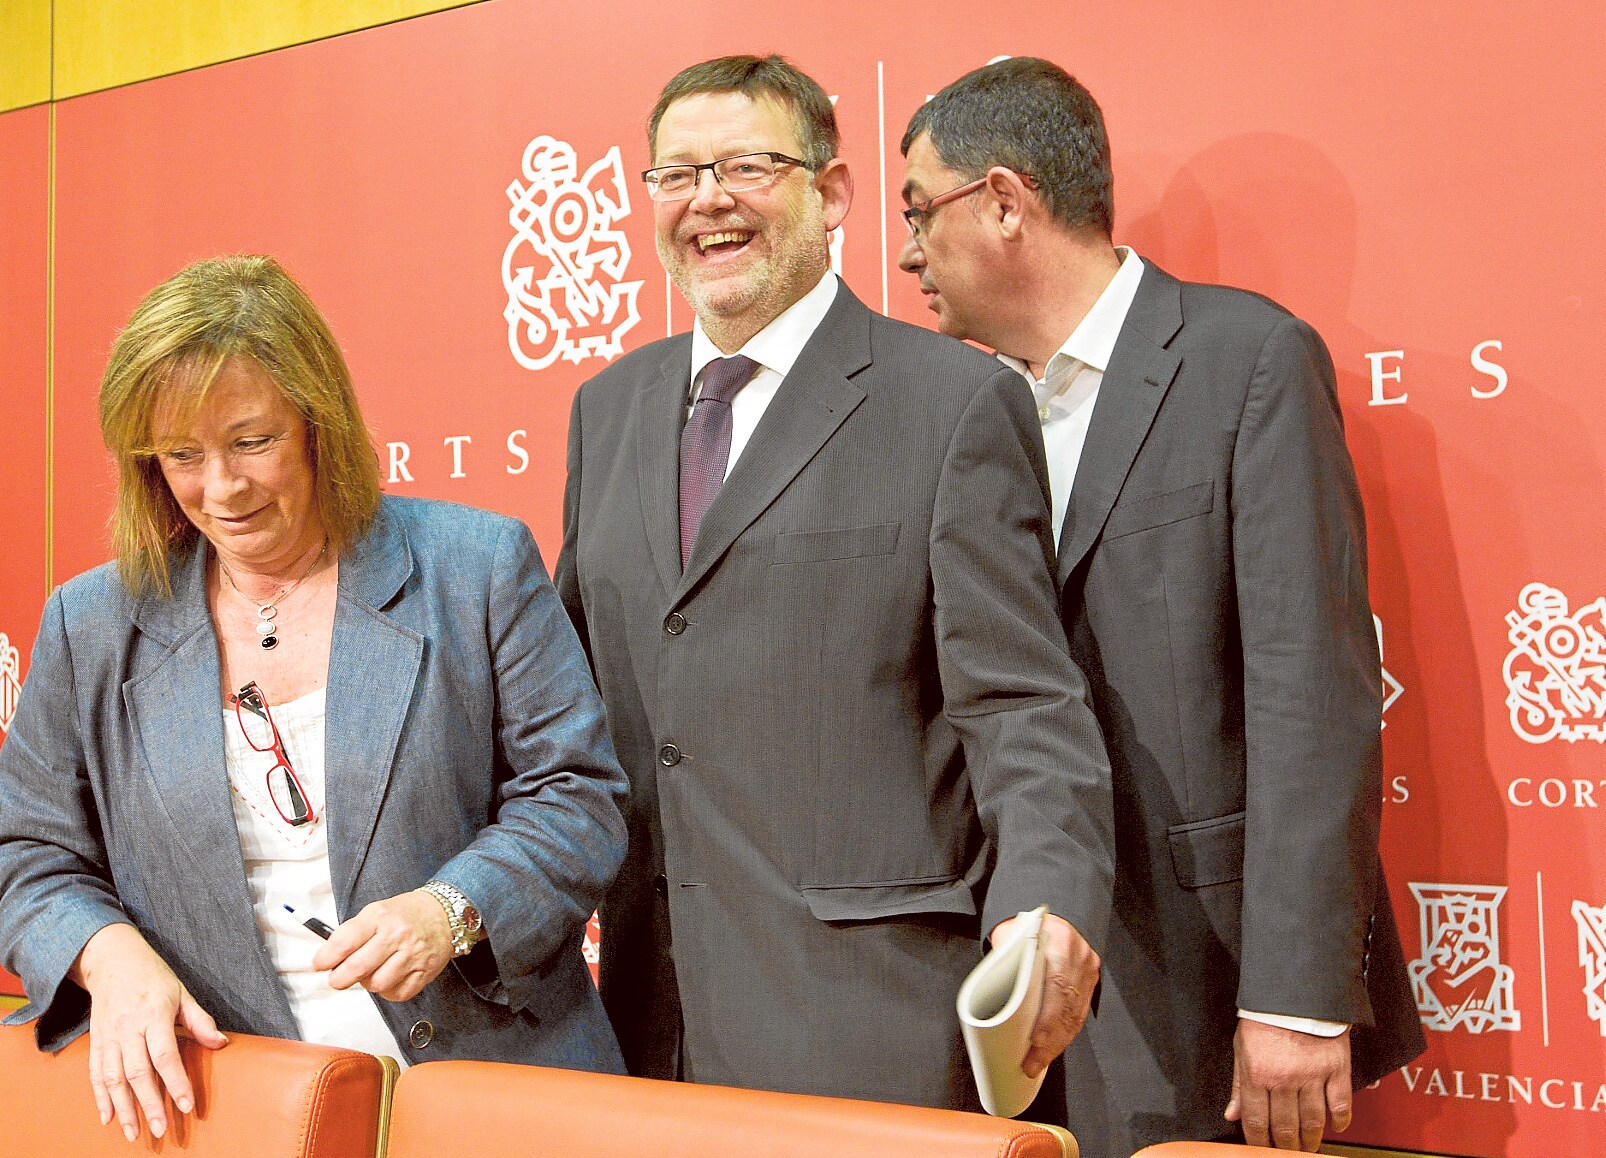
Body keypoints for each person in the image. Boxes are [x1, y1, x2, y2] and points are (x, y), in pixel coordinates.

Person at [554, 54, 1114, 1110]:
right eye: (674, 176)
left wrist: (1047, 903)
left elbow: (1021, 704)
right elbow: (560, 705)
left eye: (747, 166)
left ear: (832, 193)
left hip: (871, 1024)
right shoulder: (607, 409)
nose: (706, 199)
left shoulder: (948, 403)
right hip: (641, 1020)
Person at [896, 58, 1425, 1154]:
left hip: (1203, 971)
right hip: (1005, 971)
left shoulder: (1245, 361)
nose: (904, 254)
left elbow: (1311, 695)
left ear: (1005, 201)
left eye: (918, 210)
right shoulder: (951, 409)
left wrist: (1292, 997)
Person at [0, 255, 630, 1143]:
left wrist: (452, 909)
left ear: (317, 422)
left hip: (493, 1094)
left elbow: (577, 797)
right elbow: (24, 848)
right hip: (228, 1102)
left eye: (251, 441)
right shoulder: (92, 622)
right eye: (183, 455)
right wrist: (106, 958)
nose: (221, 489)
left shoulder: (474, 567)